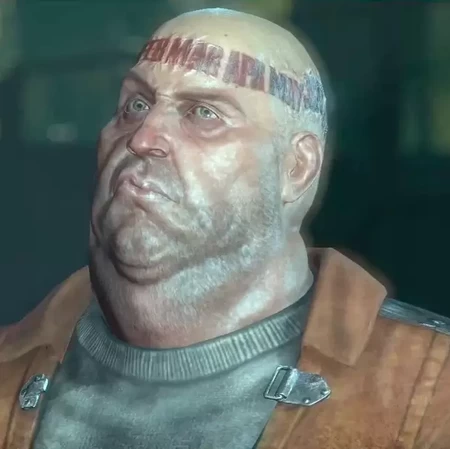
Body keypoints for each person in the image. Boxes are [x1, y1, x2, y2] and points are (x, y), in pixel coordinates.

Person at [1, 8, 450, 449]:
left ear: (296, 167)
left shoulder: (429, 394)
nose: (143, 137)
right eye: (136, 105)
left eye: (203, 113)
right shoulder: (10, 366)